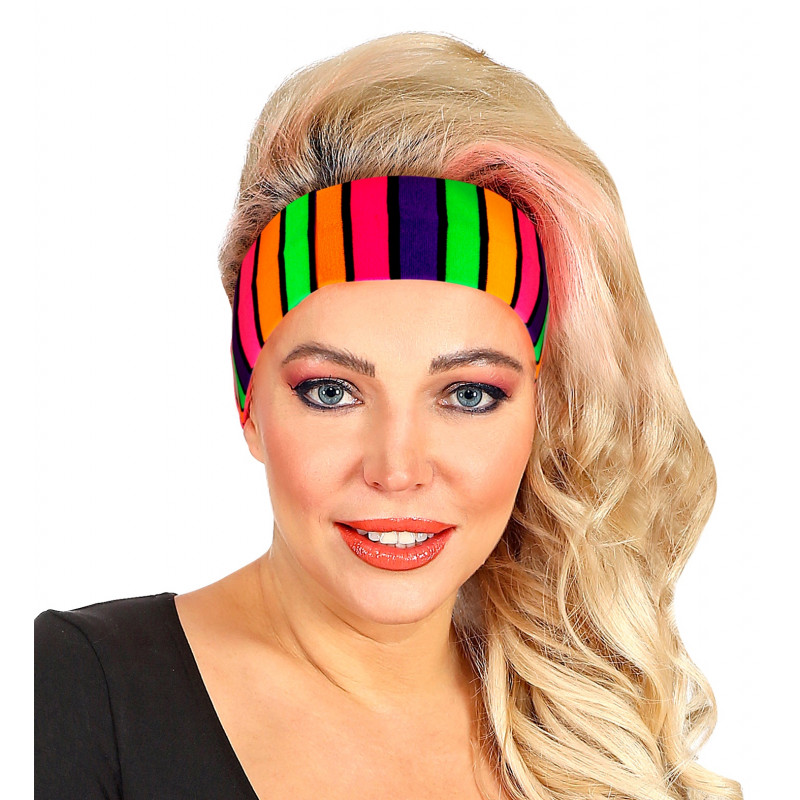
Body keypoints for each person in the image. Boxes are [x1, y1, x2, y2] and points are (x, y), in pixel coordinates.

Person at [34, 31, 743, 800]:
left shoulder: (592, 735)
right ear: (249, 404)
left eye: (468, 394)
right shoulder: (69, 695)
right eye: (331, 392)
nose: (397, 469)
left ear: (540, 414)